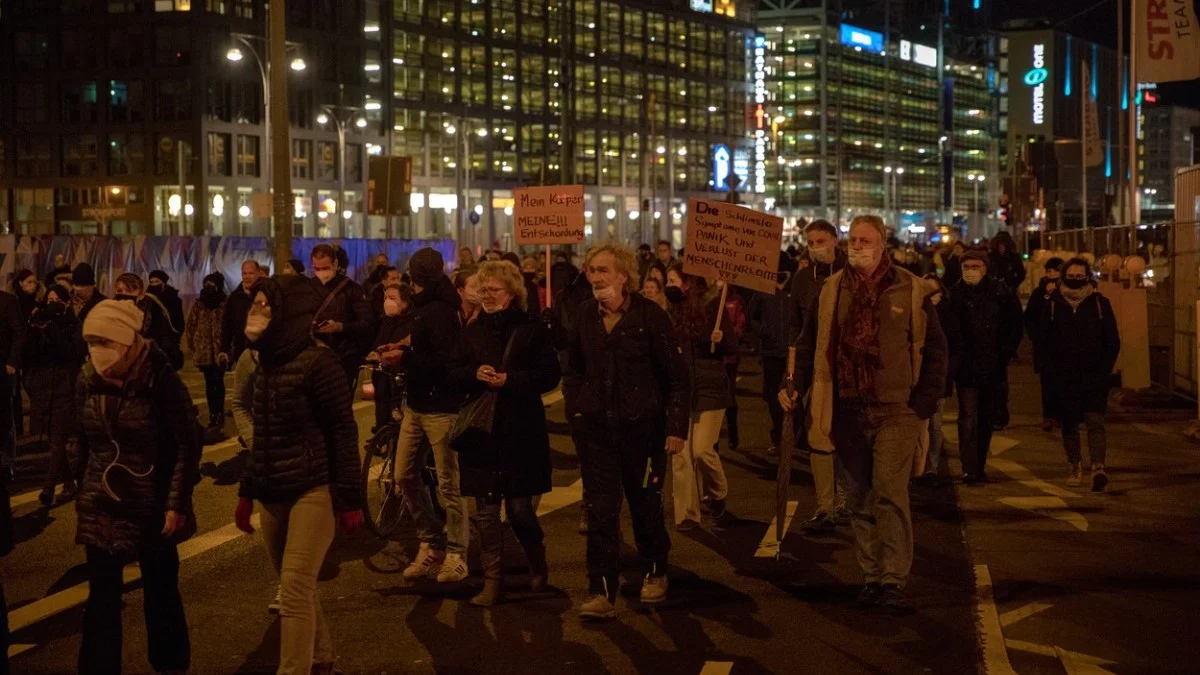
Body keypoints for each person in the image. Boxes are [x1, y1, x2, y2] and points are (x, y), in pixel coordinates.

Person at [781, 215, 948, 613]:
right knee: (858, 495)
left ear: (882, 243)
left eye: (866, 240)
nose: (858, 246)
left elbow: (936, 349)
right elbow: (809, 345)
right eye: (853, 239)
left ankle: (893, 578)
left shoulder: (910, 288)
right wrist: (793, 386)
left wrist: (922, 402)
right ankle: (872, 575)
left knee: (889, 491)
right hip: (847, 408)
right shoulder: (831, 291)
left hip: (896, 410)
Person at [233, 275, 362, 675]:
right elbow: (264, 434)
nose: (256, 313)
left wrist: (350, 498)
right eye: (255, 304)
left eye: (264, 305)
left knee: (293, 590)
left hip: (313, 488)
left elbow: (343, 430)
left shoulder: (319, 362)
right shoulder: (263, 361)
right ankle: (322, 657)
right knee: (297, 587)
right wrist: (247, 490)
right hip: (273, 491)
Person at [74, 300, 201, 674]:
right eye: (92, 341)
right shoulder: (86, 379)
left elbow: (186, 443)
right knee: (101, 600)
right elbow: (80, 439)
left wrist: (176, 503)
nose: (98, 350)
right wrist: (85, 489)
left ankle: (170, 665)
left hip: (153, 503)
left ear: (128, 342)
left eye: (105, 341)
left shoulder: (158, 377)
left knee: (161, 594)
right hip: (103, 504)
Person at [564, 244, 688, 619]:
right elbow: (573, 370)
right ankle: (601, 589)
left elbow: (677, 380)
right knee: (601, 511)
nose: (596, 277)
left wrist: (675, 427)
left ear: (623, 276)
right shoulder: (584, 316)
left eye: (603, 270)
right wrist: (578, 410)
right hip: (597, 432)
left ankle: (655, 569)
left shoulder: (650, 316)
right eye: (591, 270)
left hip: (644, 433)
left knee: (645, 505)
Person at [448, 261, 559, 606]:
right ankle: (493, 581)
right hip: (482, 433)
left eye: (493, 289)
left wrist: (511, 380)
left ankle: (535, 558)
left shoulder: (530, 330)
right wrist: (473, 374)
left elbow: (549, 374)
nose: (487, 296)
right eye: (483, 290)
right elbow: (453, 373)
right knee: (484, 510)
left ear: (511, 294)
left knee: (519, 509)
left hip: (519, 429)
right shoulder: (470, 331)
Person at [381, 248, 470, 584]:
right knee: (403, 474)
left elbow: (444, 362)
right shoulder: (424, 306)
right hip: (416, 404)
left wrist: (404, 360)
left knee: (450, 484)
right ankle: (432, 540)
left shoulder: (441, 310)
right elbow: (424, 351)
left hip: (441, 407)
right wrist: (402, 351)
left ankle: (457, 553)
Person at [1036, 258, 1120, 492]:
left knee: (1095, 421)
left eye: (1079, 275)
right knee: (1069, 424)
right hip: (1063, 377)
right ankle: (1074, 465)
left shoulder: (1100, 303)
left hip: (1093, 375)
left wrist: (1104, 370)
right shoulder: (1053, 304)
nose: (1075, 280)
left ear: (1088, 276)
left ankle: (1098, 468)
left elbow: (1112, 341)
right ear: (1063, 277)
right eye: (1070, 276)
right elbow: (1043, 341)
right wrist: (1050, 372)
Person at [788, 219, 849, 532]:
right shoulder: (802, 280)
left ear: (835, 240)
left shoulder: (851, 275)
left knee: (849, 439)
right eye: (810, 243)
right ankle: (826, 506)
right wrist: (794, 380)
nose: (816, 248)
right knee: (818, 436)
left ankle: (845, 500)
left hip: (851, 374)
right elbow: (799, 334)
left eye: (821, 241)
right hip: (818, 373)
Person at [944, 251, 1023, 485]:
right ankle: (969, 468)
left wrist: (1004, 354)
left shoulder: (1001, 293)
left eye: (975, 266)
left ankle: (979, 465)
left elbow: (1015, 326)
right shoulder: (955, 294)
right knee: (968, 417)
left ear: (986, 268)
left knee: (986, 418)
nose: (970, 270)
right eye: (966, 266)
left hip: (993, 365)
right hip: (966, 366)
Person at [664, 266, 732, 530]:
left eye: (672, 280)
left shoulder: (713, 308)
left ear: (687, 284)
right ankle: (687, 515)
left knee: (702, 451)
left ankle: (717, 495)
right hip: (681, 391)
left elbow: (732, 349)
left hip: (710, 388)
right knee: (680, 454)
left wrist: (720, 338)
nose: (668, 284)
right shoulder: (668, 313)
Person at [24, 284, 85, 505]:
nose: (52, 304)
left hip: (64, 389)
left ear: (66, 302)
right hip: (44, 391)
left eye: (56, 299)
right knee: (53, 441)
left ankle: (48, 488)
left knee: (59, 439)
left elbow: (72, 353)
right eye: (48, 300)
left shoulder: (74, 324)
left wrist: (51, 330)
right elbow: (29, 355)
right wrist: (33, 329)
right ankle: (69, 483)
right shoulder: (40, 323)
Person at [748, 252, 796, 455]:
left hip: (792, 353)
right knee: (772, 396)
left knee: (792, 395)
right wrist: (765, 332)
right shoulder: (763, 289)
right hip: (771, 353)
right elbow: (752, 317)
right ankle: (778, 436)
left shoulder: (794, 289)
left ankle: (793, 435)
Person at [309, 244, 372, 394]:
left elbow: (367, 323)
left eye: (325, 268)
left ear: (335, 264)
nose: (321, 273)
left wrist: (341, 327)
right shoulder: (307, 288)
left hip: (344, 358)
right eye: (317, 269)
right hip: (314, 358)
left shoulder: (352, 289)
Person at [916, 274, 959, 487]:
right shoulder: (915, 310)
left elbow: (949, 347)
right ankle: (919, 466)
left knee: (935, 425)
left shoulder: (947, 314)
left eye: (935, 292)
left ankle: (932, 467)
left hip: (939, 377)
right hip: (918, 377)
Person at [367, 282, 415, 431]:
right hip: (383, 373)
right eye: (385, 298)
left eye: (392, 297)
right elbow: (379, 341)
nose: (387, 301)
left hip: (401, 375)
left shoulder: (414, 320)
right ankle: (382, 433)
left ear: (405, 301)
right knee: (381, 403)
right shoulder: (386, 320)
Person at [113, 273, 184, 370]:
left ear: (141, 293)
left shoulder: (153, 309)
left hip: (148, 365)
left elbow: (163, 338)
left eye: (129, 291)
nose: (124, 294)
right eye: (119, 290)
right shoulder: (110, 309)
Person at [1026, 257, 1064, 432]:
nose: (1052, 275)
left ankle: (1063, 415)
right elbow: (1030, 317)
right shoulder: (1038, 293)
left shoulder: (1069, 291)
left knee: (1064, 381)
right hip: (1045, 346)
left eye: (1056, 271)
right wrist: (1036, 337)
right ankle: (1049, 415)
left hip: (1064, 345)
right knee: (1047, 382)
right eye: (1049, 271)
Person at [187, 273, 228, 433]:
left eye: (212, 285)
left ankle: (219, 413)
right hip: (204, 351)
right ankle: (213, 414)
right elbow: (190, 326)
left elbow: (228, 326)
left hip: (219, 352)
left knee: (219, 381)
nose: (208, 288)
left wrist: (227, 349)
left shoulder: (225, 303)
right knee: (210, 384)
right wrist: (195, 347)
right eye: (206, 284)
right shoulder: (199, 304)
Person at [11, 270, 40, 437]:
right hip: (17, 354)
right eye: (29, 281)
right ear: (20, 283)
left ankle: (32, 429)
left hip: (31, 355)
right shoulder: (13, 303)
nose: (33, 285)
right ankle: (18, 428)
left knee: (31, 389)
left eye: (34, 282)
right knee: (14, 393)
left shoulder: (36, 304)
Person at [0, 288, 23, 477]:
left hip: (3, 370)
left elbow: (18, 333)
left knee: (5, 417)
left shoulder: (8, 301)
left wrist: (11, 362)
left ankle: (7, 463)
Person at [147, 271, 186, 349]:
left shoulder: (174, 299)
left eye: (157, 281)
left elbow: (179, 319)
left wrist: (177, 335)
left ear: (164, 282)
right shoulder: (146, 298)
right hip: (151, 336)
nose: (154, 284)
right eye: (151, 282)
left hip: (169, 337)